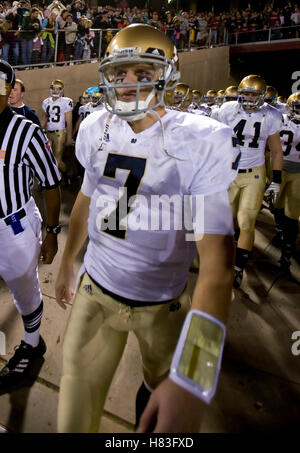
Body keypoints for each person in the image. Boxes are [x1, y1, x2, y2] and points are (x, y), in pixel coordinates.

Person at [55, 24, 239, 433]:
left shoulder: (199, 139)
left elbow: (218, 266)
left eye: (143, 74)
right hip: (95, 290)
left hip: (163, 302)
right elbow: (87, 195)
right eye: (120, 74)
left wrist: (196, 373)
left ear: (167, 75)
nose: (127, 85)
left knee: (164, 404)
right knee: (73, 421)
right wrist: (68, 259)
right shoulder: (94, 128)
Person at [0, 60, 61, 387]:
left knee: (24, 289)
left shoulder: (26, 130)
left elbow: (51, 184)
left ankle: (33, 343)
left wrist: (52, 232)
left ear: (10, 90)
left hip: (14, 226)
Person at [215, 74, 283, 288]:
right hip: (228, 171)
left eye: (255, 95)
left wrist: (276, 180)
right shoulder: (226, 111)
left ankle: (238, 268)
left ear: (263, 96)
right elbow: (213, 141)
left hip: (254, 173)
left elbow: (275, 151)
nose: (251, 99)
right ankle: (221, 260)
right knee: (224, 222)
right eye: (247, 94)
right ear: (239, 94)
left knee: (247, 221)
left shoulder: (271, 115)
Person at [272, 92, 300, 272]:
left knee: (293, 212)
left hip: (298, 172)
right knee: (275, 203)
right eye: (297, 107)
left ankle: (287, 254)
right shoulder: (279, 119)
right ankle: (280, 229)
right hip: (280, 167)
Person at [41, 79, 73, 174]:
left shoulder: (66, 101)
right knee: (48, 158)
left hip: (60, 133)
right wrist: (40, 131)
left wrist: (69, 137)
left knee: (57, 161)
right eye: (54, 89)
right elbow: (44, 118)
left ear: (61, 90)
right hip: (48, 133)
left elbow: (69, 121)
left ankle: (67, 174)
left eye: (58, 89)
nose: (55, 91)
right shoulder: (46, 102)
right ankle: (55, 177)